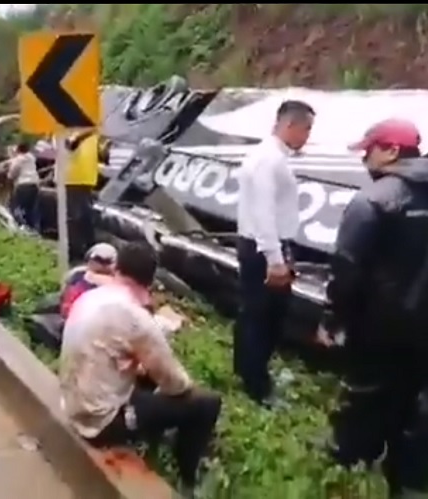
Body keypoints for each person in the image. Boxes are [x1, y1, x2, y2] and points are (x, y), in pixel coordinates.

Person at [318, 119, 428, 497]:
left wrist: (333, 320)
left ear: (393, 151)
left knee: (364, 395)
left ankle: (347, 460)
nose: (365, 156)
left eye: (371, 148)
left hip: (379, 327)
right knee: (415, 402)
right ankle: (406, 479)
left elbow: (346, 269)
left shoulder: (373, 201)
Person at [59, 242, 221, 496]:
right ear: (149, 279)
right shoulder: (135, 317)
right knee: (206, 404)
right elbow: (175, 383)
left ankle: (153, 435)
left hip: (71, 405)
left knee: (146, 379)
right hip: (99, 423)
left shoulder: (91, 296)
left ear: (117, 268)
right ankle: (188, 477)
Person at [233, 100, 314, 406]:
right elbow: (264, 212)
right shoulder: (270, 161)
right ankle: (258, 385)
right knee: (265, 316)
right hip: (265, 247)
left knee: (253, 312)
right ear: (290, 126)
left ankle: (247, 369)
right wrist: (275, 259)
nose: (307, 136)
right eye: (306, 129)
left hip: (259, 244)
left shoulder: (264, 155)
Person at [65, 130, 100, 262]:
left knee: (79, 217)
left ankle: (81, 250)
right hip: (77, 177)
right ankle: (82, 249)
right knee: (80, 216)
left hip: (79, 178)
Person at [60, 243, 117, 318]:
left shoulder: (119, 282)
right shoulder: (77, 276)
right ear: (89, 260)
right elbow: (67, 306)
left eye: (107, 261)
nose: (103, 265)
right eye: (98, 260)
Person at [7, 141, 40, 230]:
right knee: (31, 208)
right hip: (34, 185)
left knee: (19, 207)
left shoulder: (18, 160)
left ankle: (21, 226)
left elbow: (11, 175)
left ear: (18, 150)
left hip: (23, 185)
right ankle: (33, 228)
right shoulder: (32, 158)